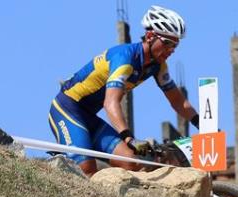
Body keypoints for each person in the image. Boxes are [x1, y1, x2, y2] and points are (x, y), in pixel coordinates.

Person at [47, 5, 199, 176]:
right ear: (150, 36)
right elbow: (110, 102)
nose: (171, 50)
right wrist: (129, 138)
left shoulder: (158, 65)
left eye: (175, 46)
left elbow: (177, 100)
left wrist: (201, 122)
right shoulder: (125, 58)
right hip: (67, 109)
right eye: (168, 43)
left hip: (89, 117)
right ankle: (58, 167)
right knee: (87, 170)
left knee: (132, 162)